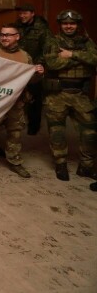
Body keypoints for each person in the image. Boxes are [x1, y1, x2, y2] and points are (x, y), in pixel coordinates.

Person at [0, 23, 44, 179]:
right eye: (2, 34)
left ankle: (15, 161)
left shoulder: (25, 56)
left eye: (8, 35)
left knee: (15, 133)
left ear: (17, 37)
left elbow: (31, 80)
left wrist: (38, 74)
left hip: (17, 102)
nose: (4, 37)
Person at [42, 9, 97, 181]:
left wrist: (71, 54)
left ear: (77, 25)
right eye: (65, 23)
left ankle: (86, 166)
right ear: (60, 25)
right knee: (57, 132)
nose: (68, 26)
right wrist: (82, 59)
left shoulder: (87, 41)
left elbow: (95, 59)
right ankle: (60, 164)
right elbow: (52, 63)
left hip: (81, 94)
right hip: (57, 95)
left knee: (90, 132)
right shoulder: (53, 41)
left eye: (72, 23)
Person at [15, 3, 53, 135]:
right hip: (18, 68)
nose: (22, 16)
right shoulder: (16, 26)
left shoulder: (42, 29)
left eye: (25, 13)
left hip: (35, 68)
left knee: (34, 99)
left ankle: (34, 127)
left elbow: (47, 49)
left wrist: (38, 64)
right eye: (20, 13)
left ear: (32, 13)